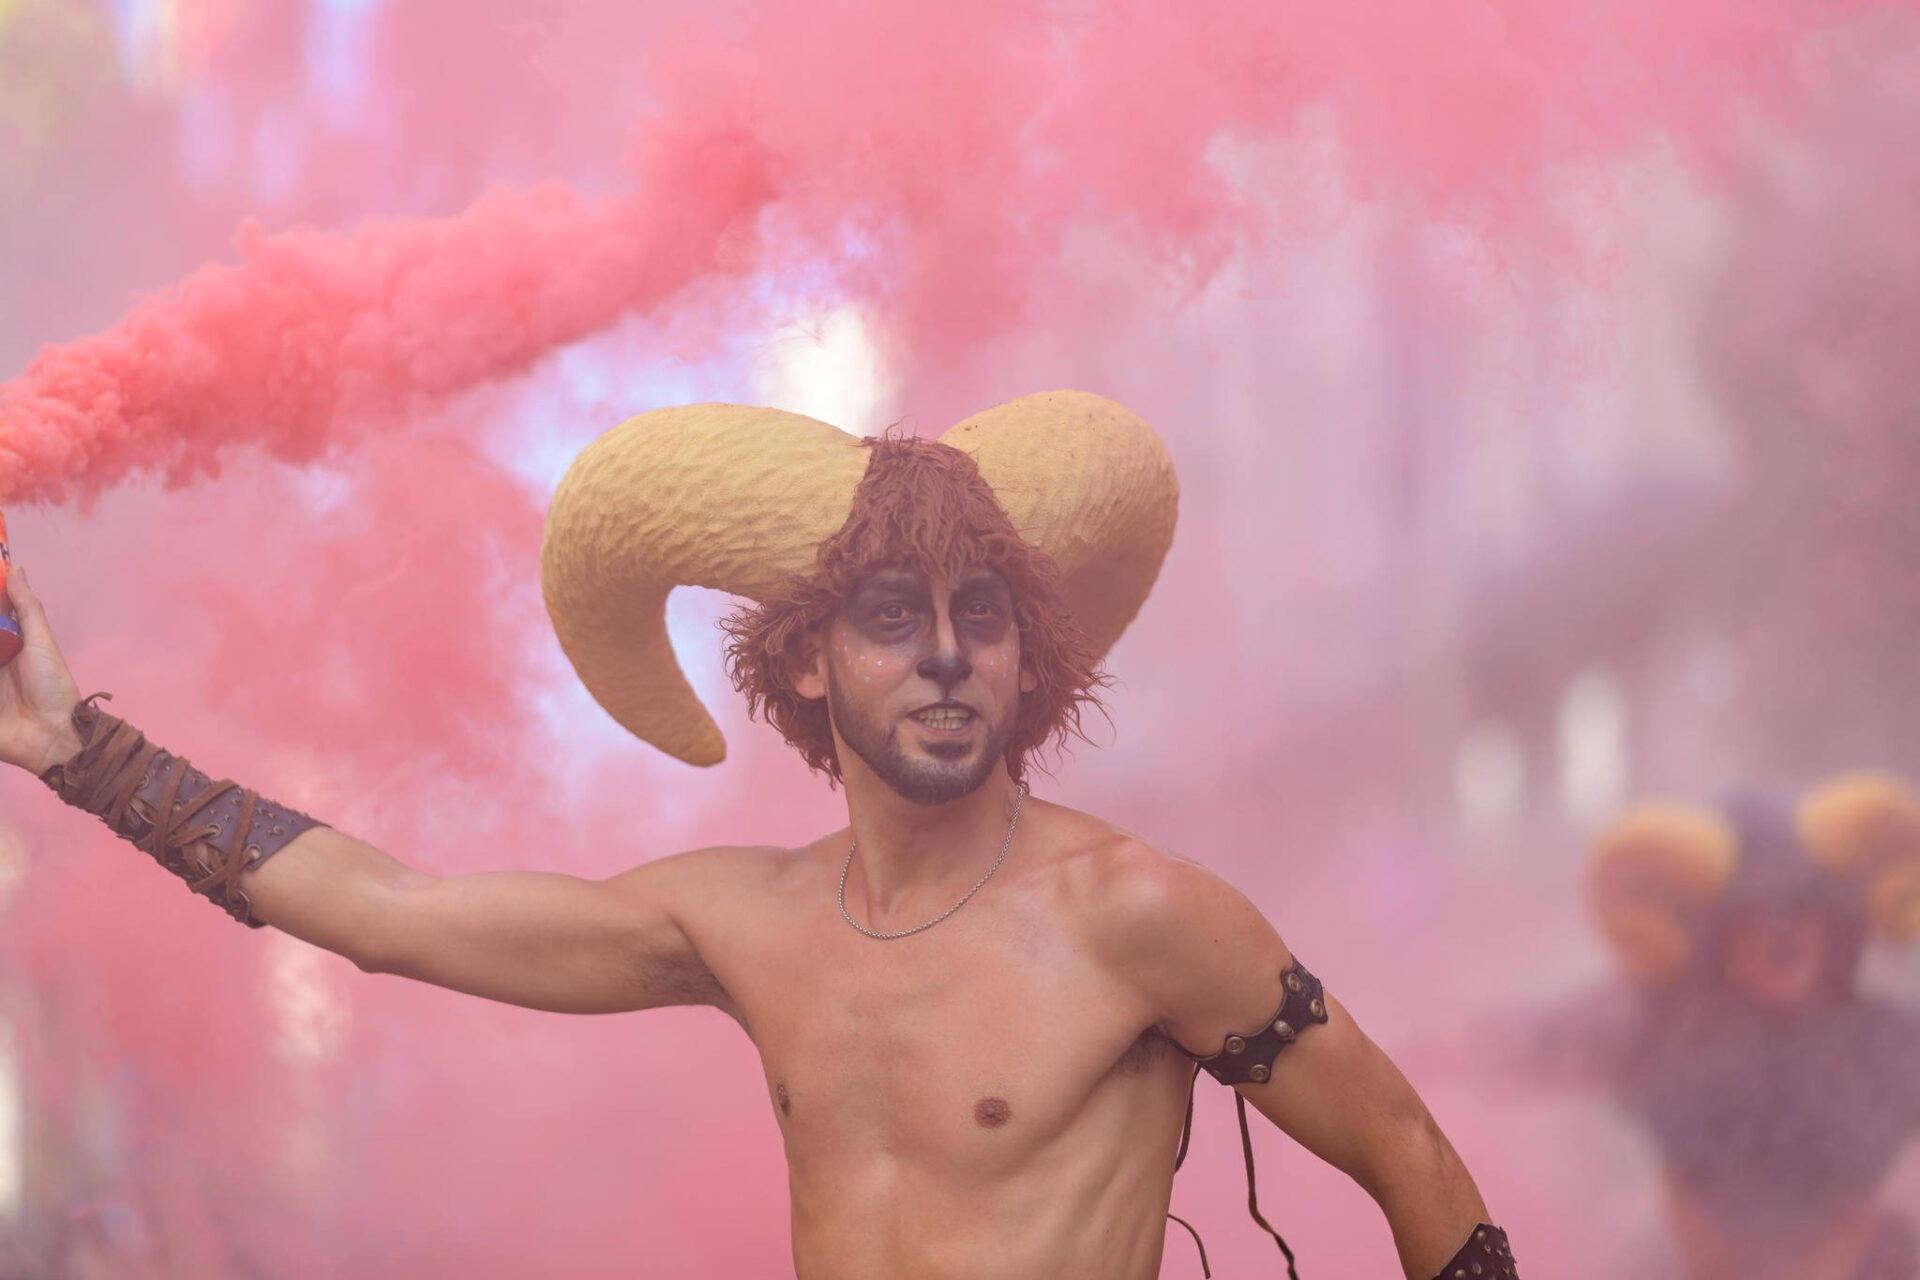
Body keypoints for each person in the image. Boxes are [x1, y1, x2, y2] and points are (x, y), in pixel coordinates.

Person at [4, 391, 1517, 1280]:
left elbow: (1405, 1148)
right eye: (892, 616)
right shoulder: (745, 921)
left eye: (982, 616)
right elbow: (393, 914)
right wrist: (84, 750)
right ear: (803, 661)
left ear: (1025, 658)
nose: (947, 656)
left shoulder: (1139, 913)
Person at [1527, 780, 1920, 1280]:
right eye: (1753, 914)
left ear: (1836, 923)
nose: (1783, 933)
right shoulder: (1653, 1032)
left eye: (1804, 908)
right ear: (1711, 931)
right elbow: (1521, 1046)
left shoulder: (1888, 1043)